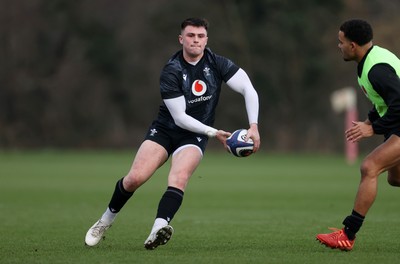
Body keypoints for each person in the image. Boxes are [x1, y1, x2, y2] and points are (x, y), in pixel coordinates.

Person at [84, 17, 260, 250]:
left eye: (200, 36)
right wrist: (214, 132)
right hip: (166, 129)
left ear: (206, 40)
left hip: (193, 136)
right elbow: (180, 117)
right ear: (181, 39)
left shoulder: (217, 63)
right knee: (135, 178)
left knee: (179, 178)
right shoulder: (172, 70)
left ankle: (158, 228)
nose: (195, 40)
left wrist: (254, 126)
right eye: (190, 36)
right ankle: (105, 220)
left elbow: (248, 88)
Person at [316, 19, 400, 251]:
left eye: (340, 42)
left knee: (369, 167)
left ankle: (348, 234)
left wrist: (373, 128)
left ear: (353, 45)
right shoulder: (369, 61)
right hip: (395, 124)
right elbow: (383, 101)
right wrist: (370, 120)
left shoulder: (376, 69)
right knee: (396, 178)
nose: (338, 46)